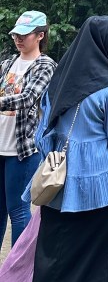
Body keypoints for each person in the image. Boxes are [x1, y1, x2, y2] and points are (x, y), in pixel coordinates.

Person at [0, 44, 108, 282]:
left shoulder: (62, 82)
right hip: (98, 191)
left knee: (47, 250)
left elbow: (43, 134)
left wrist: (57, 156)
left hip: (58, 183)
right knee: (96, 257)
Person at [0, 13, 55, 249]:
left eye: (24, 35)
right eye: (16, 34)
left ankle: (18, 267)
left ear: (40, 35)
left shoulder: (45, 65)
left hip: (23, 150)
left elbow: (28, 97)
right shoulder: (7, 63)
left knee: (18, 210)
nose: (18, 39)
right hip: (1, 147)